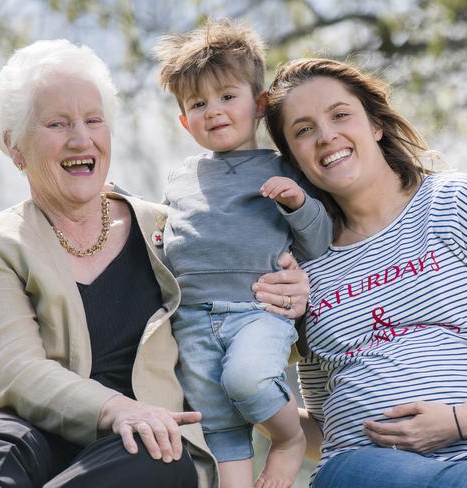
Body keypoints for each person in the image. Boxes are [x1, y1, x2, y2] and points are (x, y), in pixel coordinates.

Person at [0, 39, 311, 488]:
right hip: (27, 429)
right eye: (57, 123)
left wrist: (291, 292)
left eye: (93, 120)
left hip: (139, 444)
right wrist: (115, 408)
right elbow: (13, 370)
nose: (81, 138)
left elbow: (232, 309)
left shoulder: (169, 228)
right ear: (15, 147)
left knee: (158, 453)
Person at [263, 57, 467, 488]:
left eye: (340, 115)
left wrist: (460, 421)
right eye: (303, 130)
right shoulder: (302, 264)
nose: (326, 136)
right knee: (342, 472)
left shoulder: (455, 202)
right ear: (294, 158)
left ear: (375, 125)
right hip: (379, 466)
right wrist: (245, 398)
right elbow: (328, 423)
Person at [153, 19, 332, 488]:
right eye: (198, 104)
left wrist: (297, 203)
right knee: (215, 414)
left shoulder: (282, 168)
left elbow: (318, 242)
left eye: (227, 97)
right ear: (183, 120)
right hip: (191, 317)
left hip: (257, 310)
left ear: (259, 104)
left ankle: (290, 439)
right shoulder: (181, 176)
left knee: (248, 380)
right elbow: (168, 234)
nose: (213, 111)